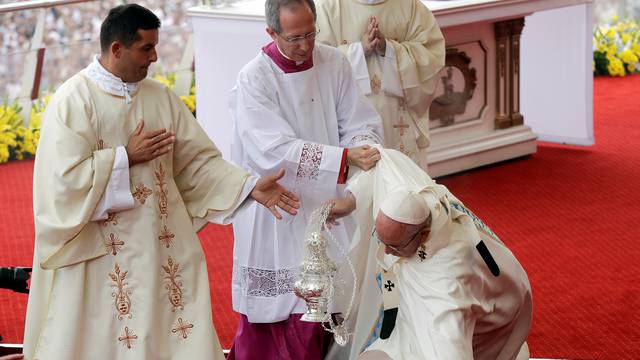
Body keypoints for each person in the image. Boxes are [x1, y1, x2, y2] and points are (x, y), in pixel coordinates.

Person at [23, 4, 300, 360]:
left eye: (155, 47)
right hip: (101, 257)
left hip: (159, 247)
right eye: (146, 49)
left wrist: (249, 186)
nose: (154, 57)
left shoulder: (160, 97)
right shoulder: (73, 102)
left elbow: (198, 162)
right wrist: (125, 157)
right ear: (116, 49)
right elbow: (60, 185)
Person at [227, 0, 384, 358]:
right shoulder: (254, 77)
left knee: (331, 303)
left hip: (331, 204)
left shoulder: (334, 62)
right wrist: (342, 159)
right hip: (278, 206)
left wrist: (362, 149)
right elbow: (272, 150)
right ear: (271, 32)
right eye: (295, 38)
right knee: (281, 310)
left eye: (311, 33)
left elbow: (360, 122)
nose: (306, 45)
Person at [326, 146, 532, 359]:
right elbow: (384, 159)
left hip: (478, 328)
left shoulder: (447, 280)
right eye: (381, 239)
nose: (385, 251)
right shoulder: (406, 193)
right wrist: (349, 203)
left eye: (395, 247)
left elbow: (449, 350)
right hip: (406, 326)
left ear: (423, 236)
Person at [316, 0, 445, 170]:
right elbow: (316, 61)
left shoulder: (410, 6)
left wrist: (390, 50)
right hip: (349, 119)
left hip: (397, 116)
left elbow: (431, 56)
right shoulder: (326, 7)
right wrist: (359, 50)